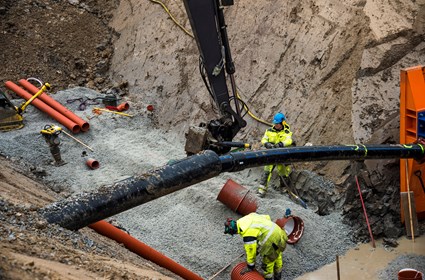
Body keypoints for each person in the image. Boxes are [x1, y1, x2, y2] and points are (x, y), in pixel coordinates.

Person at [224, 212, 288, 280]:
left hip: (272, 241)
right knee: (277, 255)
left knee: (268, 262)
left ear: (235, 231)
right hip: (279, 233)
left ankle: (268, 278)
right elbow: (267, 217)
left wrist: (250, 266)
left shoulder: (247, 235)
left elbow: (251, 251)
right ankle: (278, 276)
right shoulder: (247, 217)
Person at [257, 112, 293, 198]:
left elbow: (289, 140)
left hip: (281, 155)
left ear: (282, 123)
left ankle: (284, 190)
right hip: (271, 154)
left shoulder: (286, 132)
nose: (276, 125)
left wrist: (280, 144)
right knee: (267, 171)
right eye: (275, 123)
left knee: (283, 172)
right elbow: (264, 139)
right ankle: (261, 191)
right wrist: (267, 144)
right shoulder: (269, 131)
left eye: (277, 123)